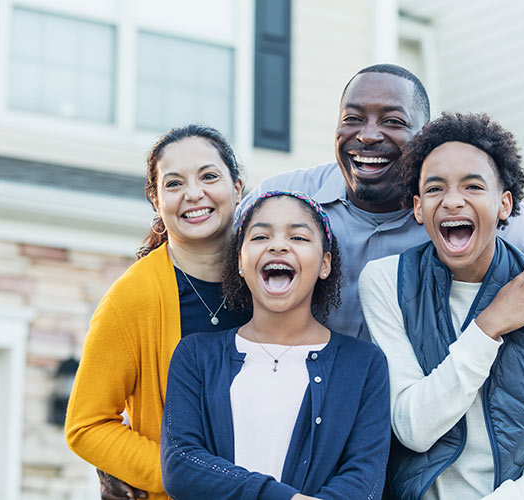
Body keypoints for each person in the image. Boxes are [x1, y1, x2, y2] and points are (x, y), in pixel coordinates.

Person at [241, 64, 524, 344]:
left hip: (434, 428)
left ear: (424, 136)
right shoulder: (280, 202)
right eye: (352, 119)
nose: (367, 135)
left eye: (393, 121)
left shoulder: (492, 219)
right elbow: (216, 272)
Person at [358, 112, 524, 499]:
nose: (452, 201)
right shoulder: (384, 282)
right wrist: (489, 325)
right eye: (434, 189)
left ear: (504, 204)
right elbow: (412, 427)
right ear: (417, 207)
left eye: (473, 187)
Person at [161, 191, 391, 499]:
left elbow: (365, 480)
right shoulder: (195, 355)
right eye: (260, 237)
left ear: (324, 265)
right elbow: (181, 464)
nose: (278, 245)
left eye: (298, 237)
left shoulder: (364, 364)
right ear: (240, 263)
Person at [65, 125, 250, 500]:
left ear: (237, 187)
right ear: (155, 200)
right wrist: (178, 475)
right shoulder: (132, 298)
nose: (194, 194)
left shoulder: (272, 277)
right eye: (174, 183)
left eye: (209, 176)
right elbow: (86, 424)